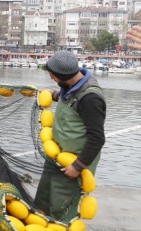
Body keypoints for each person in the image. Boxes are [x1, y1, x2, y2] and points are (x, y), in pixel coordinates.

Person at [35, 50, 106, 222]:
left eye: (52, 75)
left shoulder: (90, 99)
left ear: (62, 75)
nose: (51, 77)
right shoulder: (71, 84)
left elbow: (97, 138)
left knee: (61, 208)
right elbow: (68, 98)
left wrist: (77, 166)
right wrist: (53, 94)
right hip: (55, 155)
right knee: (42, 201)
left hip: (73, 162)